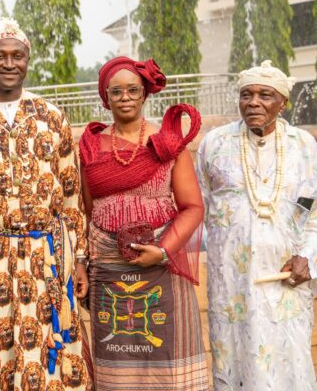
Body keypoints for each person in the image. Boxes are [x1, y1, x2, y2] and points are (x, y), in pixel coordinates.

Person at [0, 18, 91, 390]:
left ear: (27, 60)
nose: (9, 63)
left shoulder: (52, 118)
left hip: (48, 255)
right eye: (0, 56)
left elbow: (71, 197)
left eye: (17, 56)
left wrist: (81, 261)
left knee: (54, 350)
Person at [196, 60, 317, 390]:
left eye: (265, 95)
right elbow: (193, 207)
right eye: (246, 94)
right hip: (232, 282)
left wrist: (309, 258)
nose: (253, 102)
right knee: (232, 359)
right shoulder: (214, 145)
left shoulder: (303, 147)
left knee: (289, 360)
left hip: (284, 280)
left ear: (283, 102)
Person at [78, 56, 210, 390]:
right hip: (108, 268)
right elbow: (87, 211)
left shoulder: (166, 144)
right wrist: (82, 261)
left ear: (144, 94)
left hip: (161, 268)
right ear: (104, 97)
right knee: (117, 359)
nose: (125, 97)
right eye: (116, 91)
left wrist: (163, 251)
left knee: (166, 361)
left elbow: (193, 207)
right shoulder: (91, 147)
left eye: (132, 89)